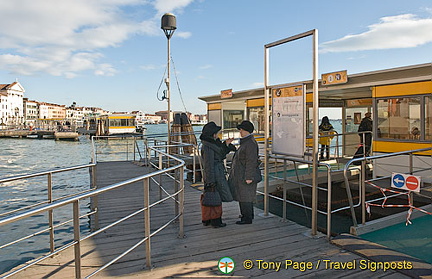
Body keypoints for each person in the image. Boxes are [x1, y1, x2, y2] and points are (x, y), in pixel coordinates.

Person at [200, 122, 235, 228]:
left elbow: (219, 154)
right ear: (212, 134)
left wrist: (226, 145)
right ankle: (216, 220)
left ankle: (208, 219)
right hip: (215, 174)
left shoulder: (211, 144)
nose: (217, 135)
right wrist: (210, 181)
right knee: (216, 197)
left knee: (212, 196)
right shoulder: (208, 146)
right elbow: (209, 164)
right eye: (216, 133)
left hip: (215, 173)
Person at [228, 120, 262, 225]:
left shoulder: (249, 143)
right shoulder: (247, 142)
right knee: (244, 196)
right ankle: (247, 215)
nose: (240, 131)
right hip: (242, 174)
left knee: (245, 196)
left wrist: (249, 177)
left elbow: (251, 161)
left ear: (246, 130)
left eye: (241, 129)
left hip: (245, 175)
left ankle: (247, 218)